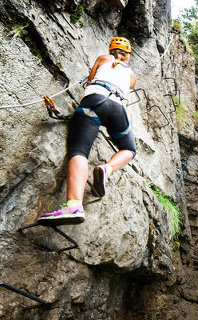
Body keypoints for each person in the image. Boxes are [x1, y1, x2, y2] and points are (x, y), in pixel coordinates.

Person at [37, 37, 137, 226]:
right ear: (128, 56)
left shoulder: (102, 58)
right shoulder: (131, 75)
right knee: (129, 149)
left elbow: (90, 80)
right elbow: (129, 86)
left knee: (79, 151)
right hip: (118, 109)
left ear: (111, 50)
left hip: (94, 102)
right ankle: (107, 168)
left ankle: (74, 205)